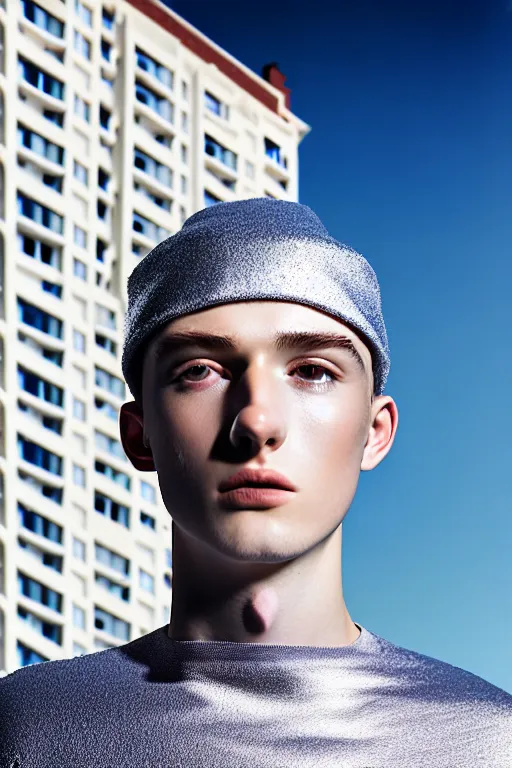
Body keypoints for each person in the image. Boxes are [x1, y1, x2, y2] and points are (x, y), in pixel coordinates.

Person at [1, 198, 510, 767]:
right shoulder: (24, 727)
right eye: (199, 371)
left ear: (374, 431)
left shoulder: (490, 743)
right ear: (140, 435)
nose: (257, 420)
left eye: (313, 371)